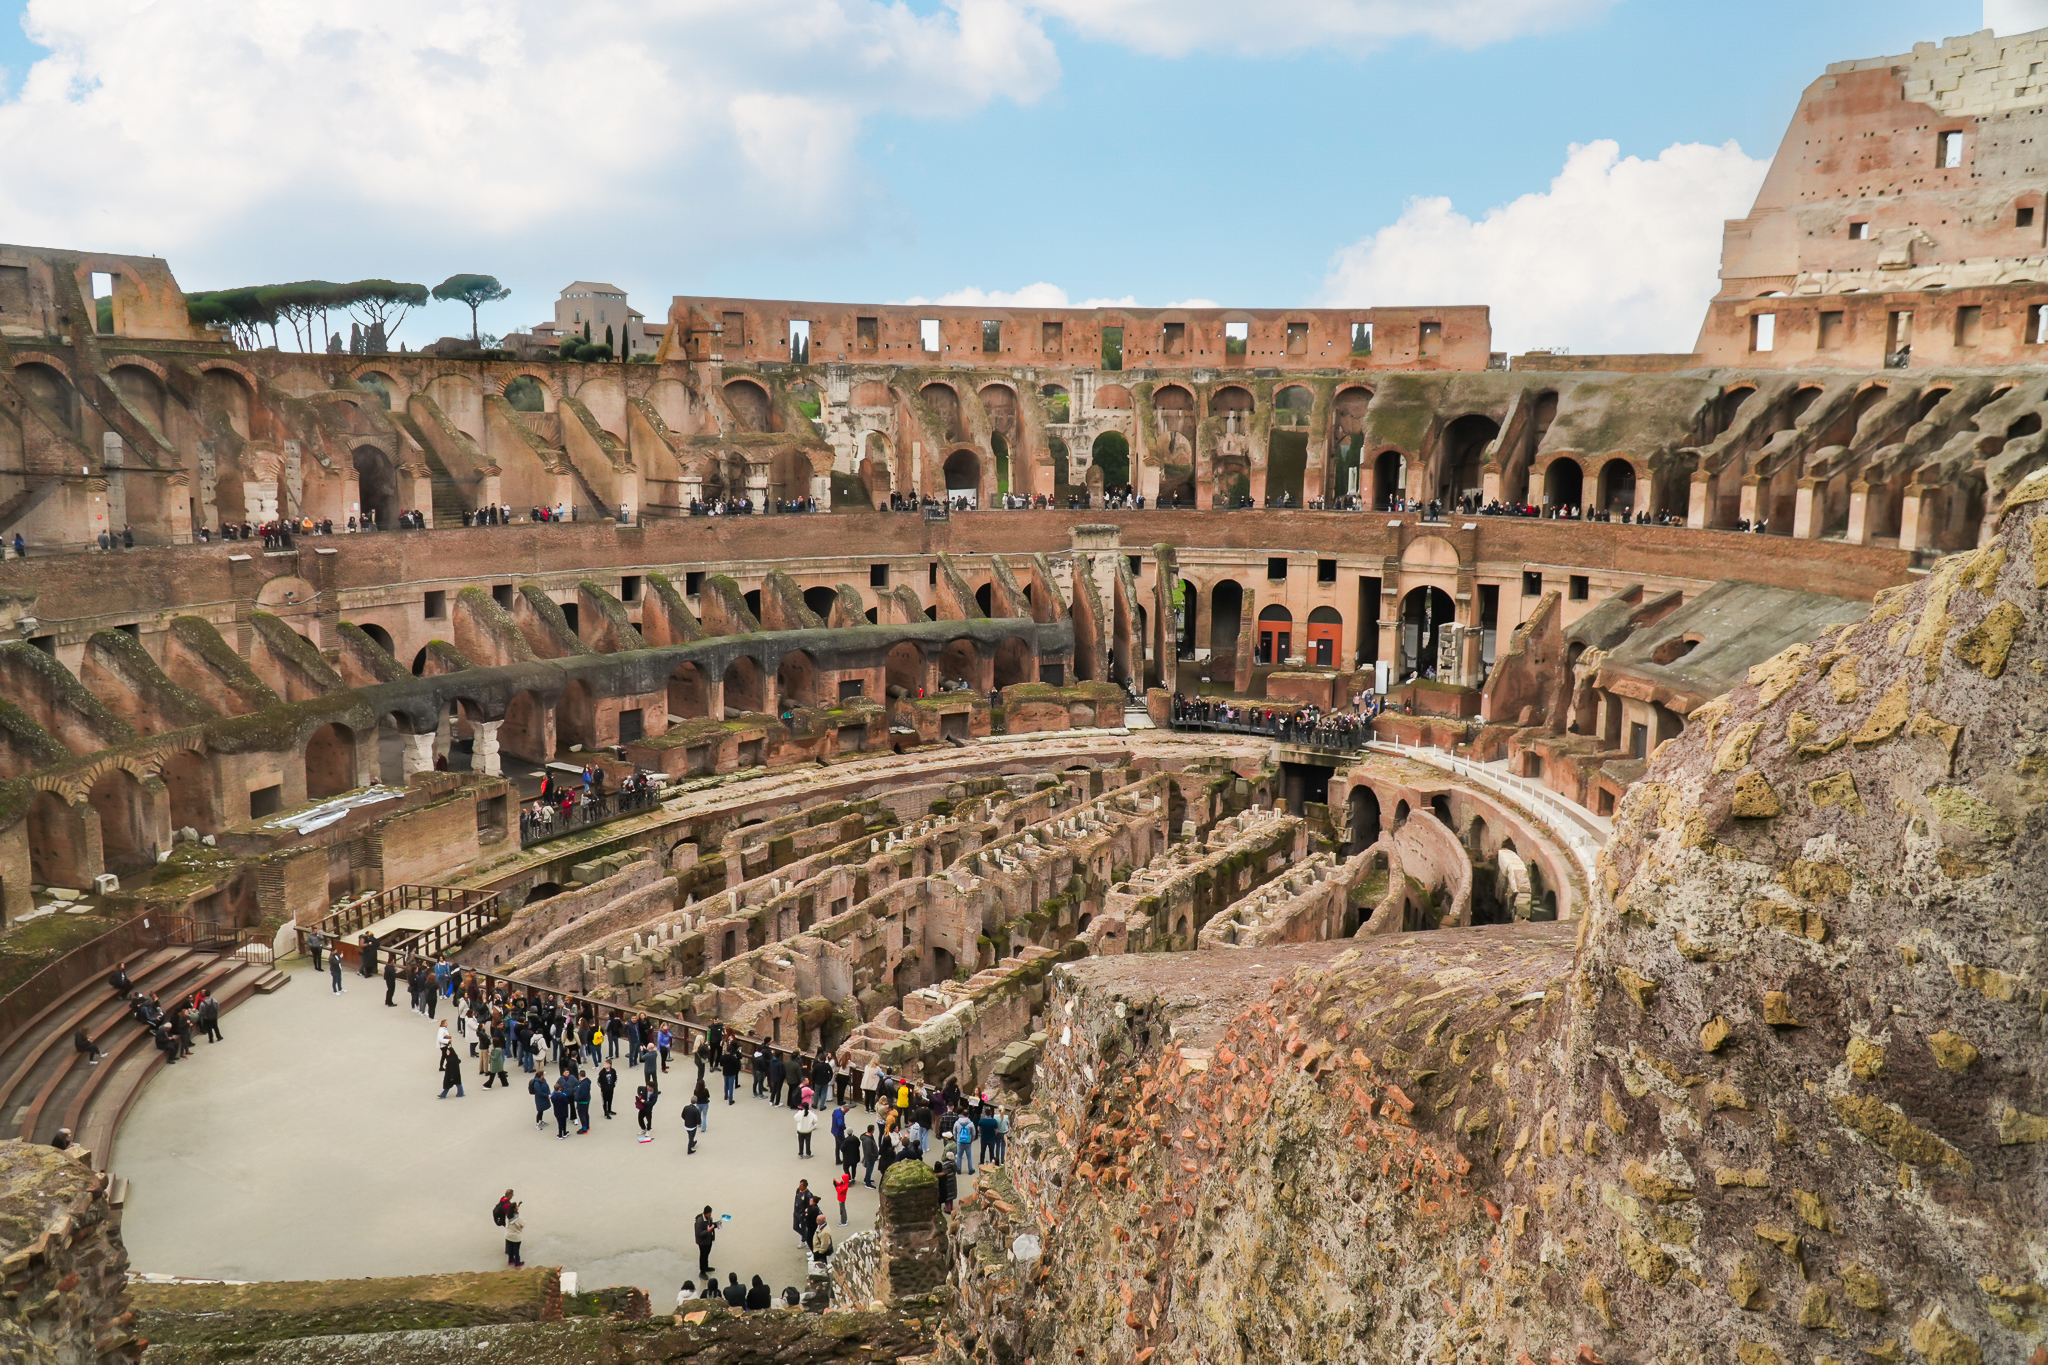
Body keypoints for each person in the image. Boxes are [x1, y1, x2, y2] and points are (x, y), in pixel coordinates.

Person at [694, 1207, 718, 1278]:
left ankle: (706, 1267)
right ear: (706, 1213)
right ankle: (702, 1272)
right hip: (702, 1242)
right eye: (710, 1213)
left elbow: (710, 1225)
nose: (711, 1214)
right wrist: (708, 1231)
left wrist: (716, 1224)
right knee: (703, 1256)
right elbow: (698, 1234)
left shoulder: (709, 1218)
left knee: (707, 1254)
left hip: (708, 1240)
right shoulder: (699, 1221)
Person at [504, 1202, 524, 1268]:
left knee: (510, 1249)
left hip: (508, 1235)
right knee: (516, 1250)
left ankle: (510, 1260)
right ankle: (517, 1262)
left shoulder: (508, 1216)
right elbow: (523, 1224)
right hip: (516, 1236)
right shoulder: (517, 1218)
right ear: (515, 1208)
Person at [574, 1069, 593, 1133]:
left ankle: (584, 1129)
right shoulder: (587, 1082)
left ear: (580, 1076)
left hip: (582, 1102)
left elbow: (583, 1094)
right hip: (587, 1100)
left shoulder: (583, 1085)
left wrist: (576, 1099)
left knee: (582, 1115)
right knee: (585, 1113)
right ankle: (587, 1126)